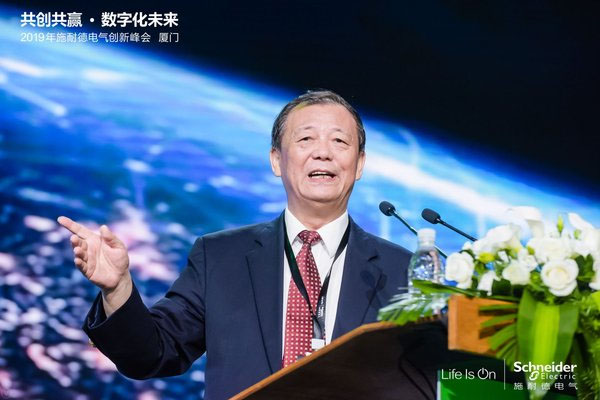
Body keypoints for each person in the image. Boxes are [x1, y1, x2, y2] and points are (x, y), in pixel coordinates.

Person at [58, 90, 411, 400]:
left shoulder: (403, 272)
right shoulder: (220, 257)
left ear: (359, 164)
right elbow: (152, 355)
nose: (323, 153)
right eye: (306, 139)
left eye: (339, 141)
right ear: (277, 160)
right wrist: (118, 288)